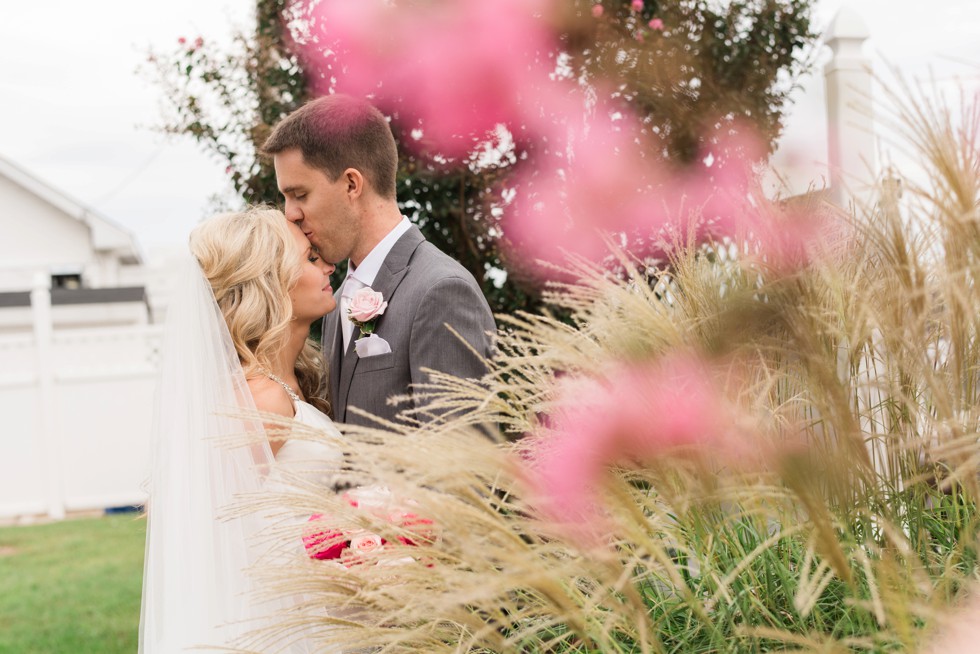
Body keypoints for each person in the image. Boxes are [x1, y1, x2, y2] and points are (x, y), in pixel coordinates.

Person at [139, 207, 342, 653]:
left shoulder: (287, 383)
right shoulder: (260, 398)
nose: (328, 266)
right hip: (277, 621)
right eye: (310, 259)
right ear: (270, 284)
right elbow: (196, 519)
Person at [262, 94, 496, 426]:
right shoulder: (337, 299)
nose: (290, 214)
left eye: (300, 195)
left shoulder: (441, 291)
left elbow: (463, 465)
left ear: (351, 184)